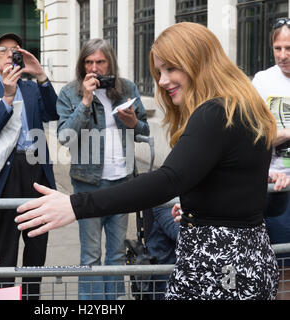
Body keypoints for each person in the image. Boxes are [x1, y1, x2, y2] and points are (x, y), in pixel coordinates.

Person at [15, 22, 280, 300]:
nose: (163, 81)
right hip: (247, 259)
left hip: (219, 268)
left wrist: (74, 205)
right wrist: (195, 209)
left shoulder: (214, 112)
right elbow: (231, 185)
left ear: (198, 61)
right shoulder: (244, 106)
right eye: (159, 71)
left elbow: (169, 178)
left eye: (171, 68)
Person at [0, 33, 58, 299]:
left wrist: (40, 74)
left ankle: (32, 298)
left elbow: (53, 113)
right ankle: (4, 296)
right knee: (5, 246)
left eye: (15, 50)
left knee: (37, 245)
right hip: (5, 172)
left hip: (36, 167)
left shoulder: (31, 88)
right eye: (3, 50)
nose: (10, 54)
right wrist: (7, 97)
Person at [56, 38, 149, 300]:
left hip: (122, 183)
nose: (94, 68)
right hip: (89, 184)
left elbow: (144, 130)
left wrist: (133, 123)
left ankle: (115, 302)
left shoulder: (127, 88)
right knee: (91, 254)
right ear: (81, 64)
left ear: (110, 63)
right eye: (89, 62)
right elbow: (65, 137)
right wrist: (85, 102)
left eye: (100, 62)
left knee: (117, 252)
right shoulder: (70, 93)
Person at [252, 17, 290, 299]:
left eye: (288, 48)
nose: (283, 55)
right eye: (277, 48)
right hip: (270, 183)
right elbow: (256, 134)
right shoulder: (263, 80)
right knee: (273, 261)